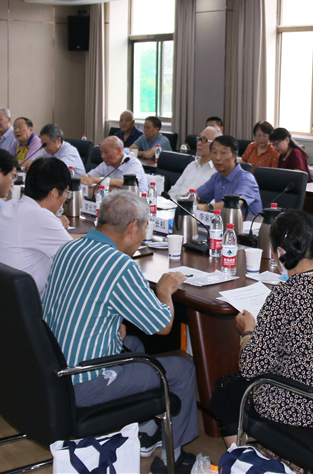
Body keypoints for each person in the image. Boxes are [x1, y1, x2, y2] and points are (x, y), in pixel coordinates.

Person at [41, 191, 198, 473]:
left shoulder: (69, 249)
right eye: (144, 230)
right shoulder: (120, 265)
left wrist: (111, 324)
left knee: (134, 343)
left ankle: (146, 431)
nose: (142, 238)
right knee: (183, 369)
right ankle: (172, 459)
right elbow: (162, 326)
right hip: (84, 382)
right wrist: (164, 291)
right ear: (132, 228)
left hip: (52, 368)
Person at [209, 210, 313, 446]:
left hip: (299, 405)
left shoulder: (285, 294)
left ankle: (243, 460)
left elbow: (251, 368)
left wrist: (248, 331)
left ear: (280, 252)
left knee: (226, 391)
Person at [0, 158, 74, 295]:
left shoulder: (10, 205)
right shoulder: (41, 217)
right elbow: (79, 256)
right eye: (66, 192)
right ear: (54, 193)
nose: (65, 198)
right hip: (19, 303)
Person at [196, 135, 262, 218]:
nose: (217, 158)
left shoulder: (247, 179)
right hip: (223, 223)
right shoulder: (216, 177)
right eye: (214, 152)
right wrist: (191, 197)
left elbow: (234, 204)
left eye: (223, 153)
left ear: (235, 156)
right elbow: (197, 194)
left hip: (247, 224)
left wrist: (206, 207)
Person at [81, 136, 149, 194]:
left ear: (119, 150)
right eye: (101, 153)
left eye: (106, 152)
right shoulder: (105, 164)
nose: (102, 156)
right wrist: (84, 178)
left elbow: (124, 184)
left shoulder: (133, 163)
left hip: (137, 202)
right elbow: (88, 176)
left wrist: (96, 180)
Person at [167, 126, 220, 200]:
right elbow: (174, 190)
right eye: (199, 139)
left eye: (204, 140)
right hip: (177, 203)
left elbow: (215, 201)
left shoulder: (218, 171)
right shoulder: (192, 165)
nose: (199, 143)